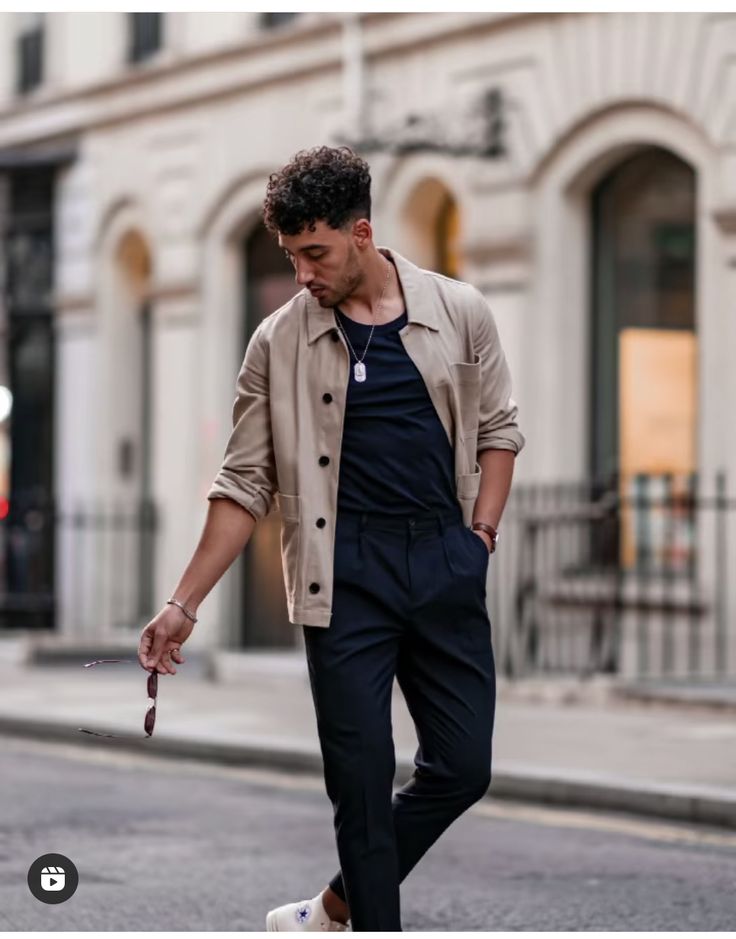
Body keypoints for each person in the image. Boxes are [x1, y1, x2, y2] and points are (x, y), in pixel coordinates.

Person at [138, 145, 525, 932]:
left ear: (362, 232)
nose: (303, 272)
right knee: (360, 780)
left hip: (441, 559)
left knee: (462, 767)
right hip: (341, 576)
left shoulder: (459, 310)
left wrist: (478, 536)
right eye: (290, 256)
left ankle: (329, 909)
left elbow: (499, 430)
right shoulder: (277, 341)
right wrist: (183, 603)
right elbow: (242, 484)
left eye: (315, 253)